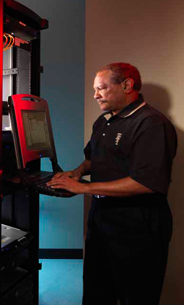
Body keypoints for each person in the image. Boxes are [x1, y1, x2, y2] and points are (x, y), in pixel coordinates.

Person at [47, 62, 177, 305]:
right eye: (94, 89)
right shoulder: (105, 121)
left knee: (136, 296)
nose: (95, 95)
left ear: (127, 85)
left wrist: (83, 188)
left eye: (101, 88)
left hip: (139, 226)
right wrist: (77, 173)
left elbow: (145, 183)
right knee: (97, 291)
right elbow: (92, 159)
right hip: (102, 219)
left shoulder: (151, 124)